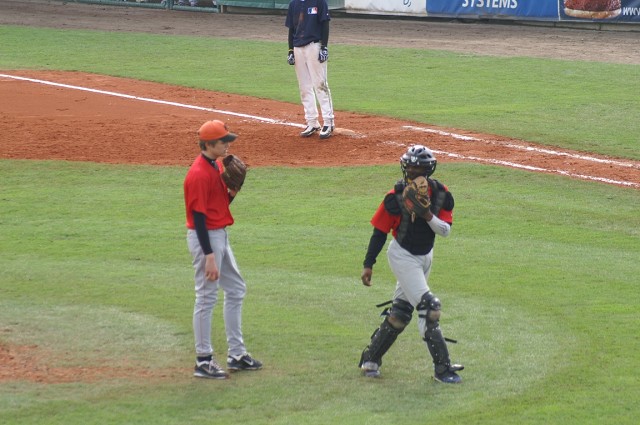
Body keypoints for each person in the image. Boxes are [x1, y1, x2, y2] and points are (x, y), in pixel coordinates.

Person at [358, 145, 464, 383]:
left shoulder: (441, 194)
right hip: (402, 256)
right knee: (429, 307)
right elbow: (379, 232)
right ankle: (442, 369)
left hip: (426, 257)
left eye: (420, 170)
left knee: (400, 314)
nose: (414, 174)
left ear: (429, 171)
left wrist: (427, 215)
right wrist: (368, 264)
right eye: (411, 169)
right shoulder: (395, 198)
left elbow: (445, 231)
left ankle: (370, 359)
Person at [183, 119, 263, 379]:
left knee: (236, 289)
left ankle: (236, 355)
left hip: (219, 234)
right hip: (205, 238)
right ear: (209, 144)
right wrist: (208, 256)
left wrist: (233, 192)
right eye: (223, 141)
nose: (228, 145)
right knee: (206, 297)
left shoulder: (216, 166)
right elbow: (198, 218)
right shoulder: (198, 174)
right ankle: (203, 360)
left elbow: (219, 205)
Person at [285, 0, 335, 139]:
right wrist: (290, 50)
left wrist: (324, 47)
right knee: (304, 87)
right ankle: (312, 122)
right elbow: (291, 29)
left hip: (314, 46)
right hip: (298, 47)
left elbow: (325, 24)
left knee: (320, 84)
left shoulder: (319, 2)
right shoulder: (294, 4)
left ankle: (328, 122)